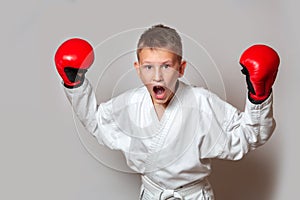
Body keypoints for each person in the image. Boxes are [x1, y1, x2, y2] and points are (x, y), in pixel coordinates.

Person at [54, 24, 280, 200]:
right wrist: (76, 85)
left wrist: (258, 96)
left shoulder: (202, 102)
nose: (157, 76)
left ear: (181, 69)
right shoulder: (130, 104)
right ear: (138, 70)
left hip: (192, 195)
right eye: (148, 67)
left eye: (166, 66)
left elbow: (249, 136)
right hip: (153, 194)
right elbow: (96, 122)